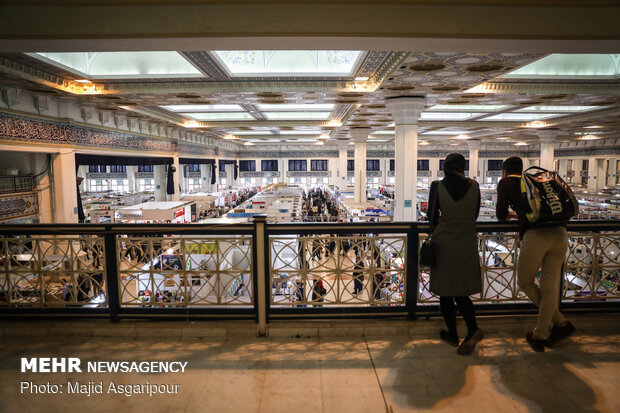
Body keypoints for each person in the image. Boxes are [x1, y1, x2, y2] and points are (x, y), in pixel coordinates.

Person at [496, 156, 575, 352]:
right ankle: (544, 333)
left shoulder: (506, 182)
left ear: (504, 171)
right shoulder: (534, 182)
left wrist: (517, 215)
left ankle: (561, 324)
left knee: (524, 282)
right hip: (560, 235)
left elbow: (500, 214)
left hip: (536, 237)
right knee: (549, 289)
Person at [428, 153, 484, 355]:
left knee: (445, 291)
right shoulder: (475, 186)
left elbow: (432, 216)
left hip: (444, 243)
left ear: (445, 167)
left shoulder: (438, 186)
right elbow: (475, 213)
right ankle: (472, 328)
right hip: (467, 243)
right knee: (461, 291)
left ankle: (452, 333)